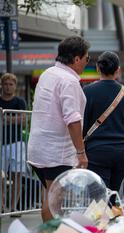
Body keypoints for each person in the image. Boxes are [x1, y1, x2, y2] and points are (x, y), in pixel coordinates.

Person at [27, 36, 90, 222]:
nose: (87, 63)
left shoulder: (48, 74)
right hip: (57, 151)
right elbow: (72, 119)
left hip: (40, 147)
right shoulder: (68, 81)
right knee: (55, 199)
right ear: (77, 59)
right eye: (87, 58)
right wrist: (81, 152)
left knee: (51, 195)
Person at [83, 51, 124, 198]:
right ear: (118, 70)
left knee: (97, 199)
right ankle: (111, 220)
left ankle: (100, 221)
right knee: (112, 197)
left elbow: (84, 123)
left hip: (97, 150)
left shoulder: (88, 91)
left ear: (98, 68)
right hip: (121, 151)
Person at [0, 73, 27, 212]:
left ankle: (13, 207)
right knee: (1, 176)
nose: (8, 87)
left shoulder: (19, 101)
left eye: (11, 84)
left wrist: (5, 118)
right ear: (1, 85)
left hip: (16, 143)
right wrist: (13, 118)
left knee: (17, 175)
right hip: (1, 143)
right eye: (6, 84)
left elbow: (23, 120)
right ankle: (2, 205)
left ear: (15, 86)